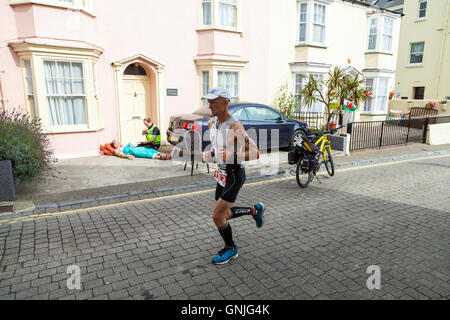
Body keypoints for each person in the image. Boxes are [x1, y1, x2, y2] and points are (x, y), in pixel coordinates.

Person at [201, 87, 265, 265]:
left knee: (217, 216)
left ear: (225, 102)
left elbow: (255, 153)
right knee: (224, 215)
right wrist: (210, 155)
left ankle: (231, 249)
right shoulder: (212, 123)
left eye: (214, 101)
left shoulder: (235, 126)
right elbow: (217, 146)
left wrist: (232, 156)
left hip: (235, 174)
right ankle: (254, 210)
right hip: (222, 174)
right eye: (209, 100)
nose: (210, 104)